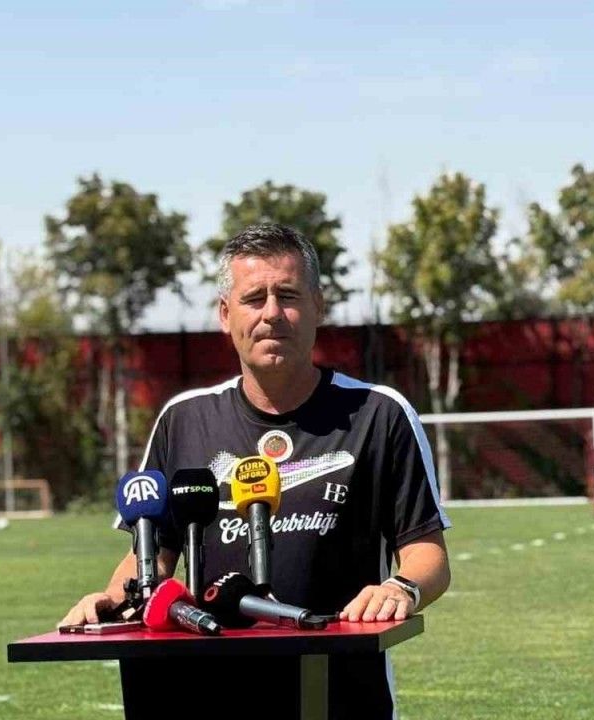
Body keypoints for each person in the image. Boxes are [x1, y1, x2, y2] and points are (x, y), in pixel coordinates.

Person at [59, 223, 451, 719]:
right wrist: (111, 601)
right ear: (226, 314)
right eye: (253, 298)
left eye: (288, 295)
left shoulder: (380, 414)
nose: (271, 313)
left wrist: (400, 588)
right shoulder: (183, 419)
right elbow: (151, 557)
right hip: (206, 695)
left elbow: (428, 557)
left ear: (318, 306)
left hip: (339, 696)